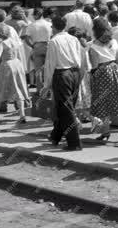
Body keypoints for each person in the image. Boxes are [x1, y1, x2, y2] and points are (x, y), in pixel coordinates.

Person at [42, 16, 84, 151]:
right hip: (75, 73)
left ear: (53, 27)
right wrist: (80, 76)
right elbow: (80, 58)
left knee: (66, 109)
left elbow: (50, 64)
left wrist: (46, 85)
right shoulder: (74, 39)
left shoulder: (53, 41)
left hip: (62, 75)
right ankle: (56, 136)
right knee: (65, 106)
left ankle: (74, 143)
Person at [88, 18, 118, 143]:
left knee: (102, 104)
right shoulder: (114, 42)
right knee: (117, 102)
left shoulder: (93, 46)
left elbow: (95, 65)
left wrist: (91, 77)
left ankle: (105, 132)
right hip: (115, 72)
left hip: (102, 73)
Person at [0, 24, 29, 124]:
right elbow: (19, 54)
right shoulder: (15, 42)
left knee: (0, 88)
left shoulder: (2, 43)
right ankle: (22, 114)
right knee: (18, 88)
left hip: (6, 66)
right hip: (17, 64)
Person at [22, 7, 52, 94]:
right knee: (48, 70)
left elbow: (26, 38)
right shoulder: (48, 23)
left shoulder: (31, 25)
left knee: (38, 70)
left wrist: (32, 45)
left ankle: (39, 90)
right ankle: (48, 89)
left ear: (36, 15)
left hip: (37, 47)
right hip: (48, 46)